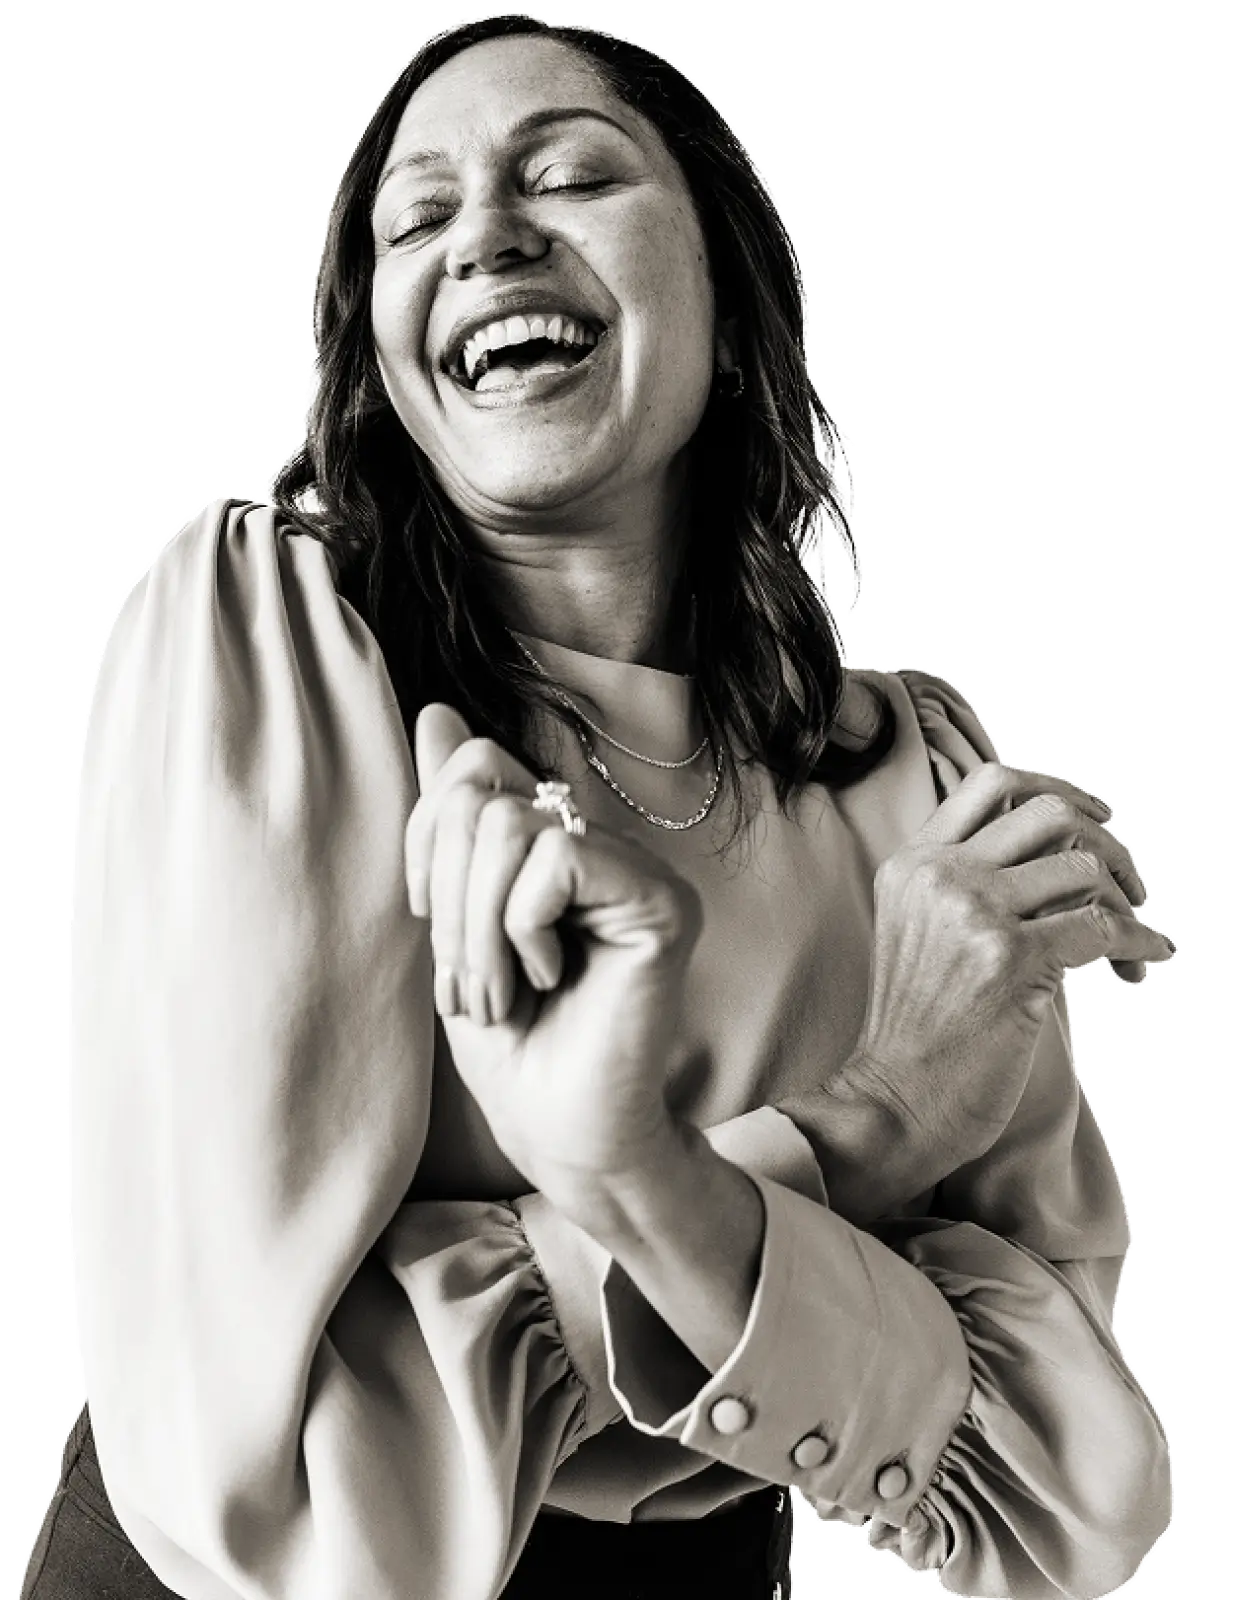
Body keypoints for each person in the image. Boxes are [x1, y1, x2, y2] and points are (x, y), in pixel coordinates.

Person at [33, 14, 1175, 1600]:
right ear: (379, 358)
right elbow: (279, 1486)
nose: (487, 234)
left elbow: (1062, 1488)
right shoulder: (268, 644)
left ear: (724, 281)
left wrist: (648, 1190)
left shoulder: (911, 777)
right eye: (415, 220)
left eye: (567, 175)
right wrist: (876, 1125)